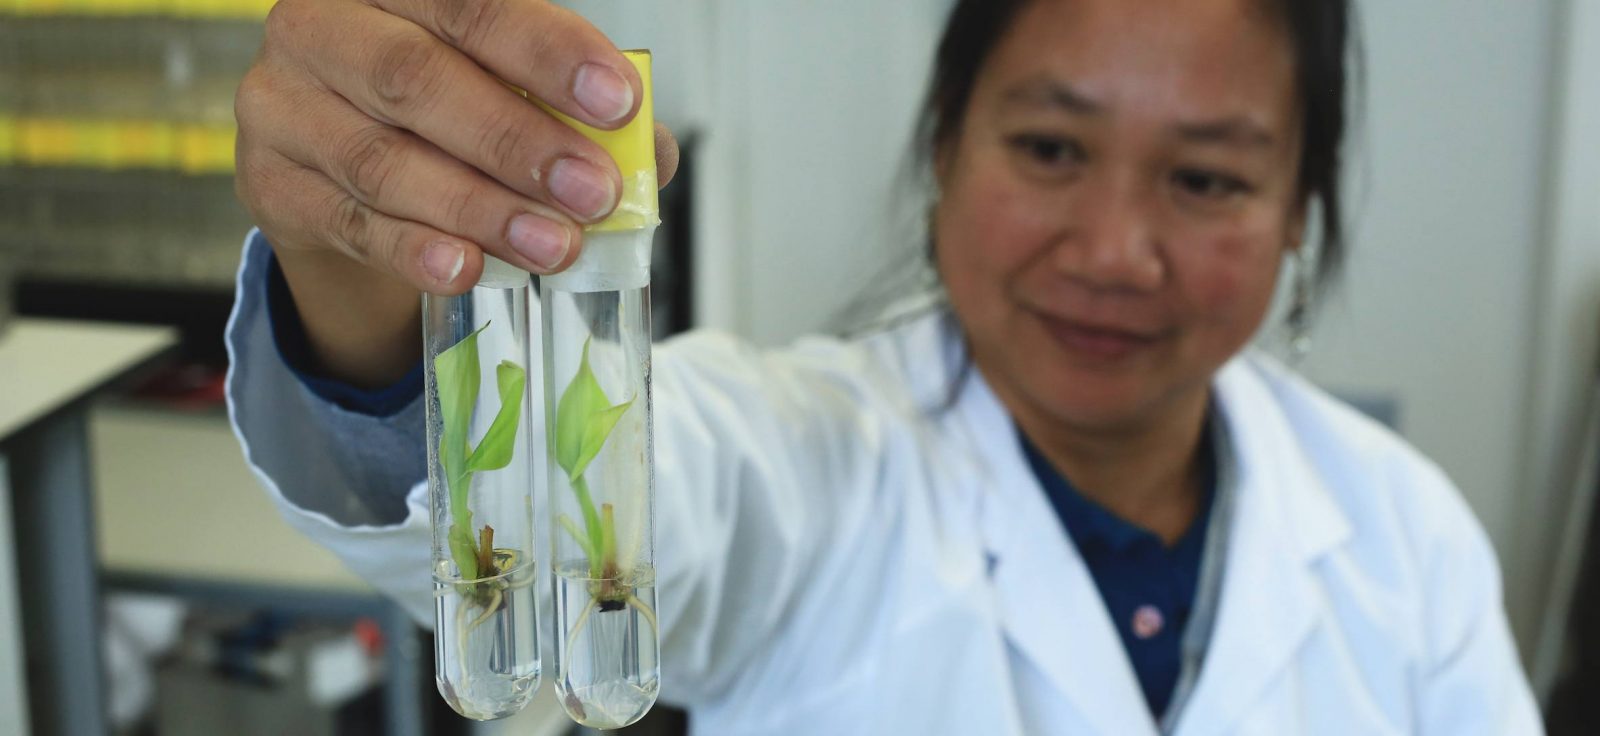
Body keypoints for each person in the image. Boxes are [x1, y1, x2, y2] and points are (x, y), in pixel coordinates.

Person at [226, 0, 1543, 733]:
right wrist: (363, 266)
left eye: (1206, 179)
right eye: (1050, 149)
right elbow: (591, 519)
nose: (1116, 249)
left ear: (1298, 215)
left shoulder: (1404, 533)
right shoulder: (806, 460)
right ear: (944, 158)